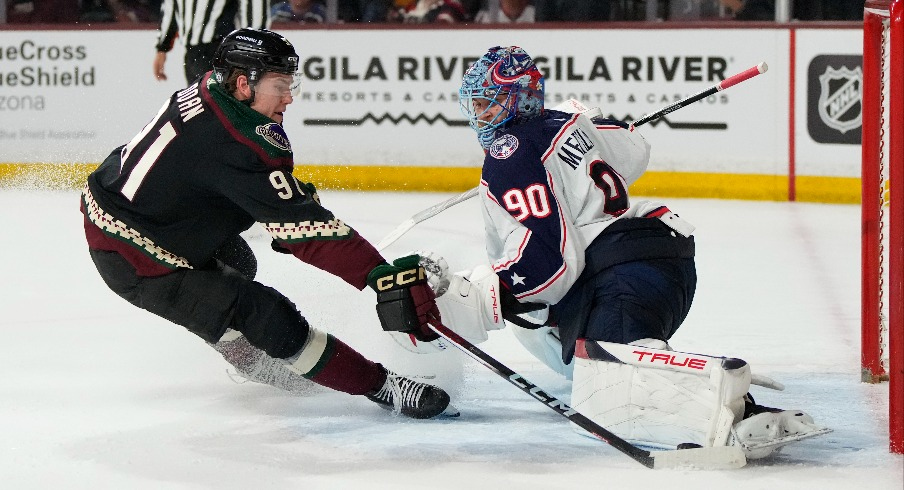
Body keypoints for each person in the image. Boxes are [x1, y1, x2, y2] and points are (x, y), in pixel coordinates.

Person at [412, 45, 829, 457]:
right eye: (478, 105)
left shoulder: (508, 154)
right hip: (661, 259)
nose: (480, 115)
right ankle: (712, 396)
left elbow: (551, 265)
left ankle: (732, 418)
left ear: (519, 97)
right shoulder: (567, 121)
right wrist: (592, 127)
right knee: (570, 356)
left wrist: (480, 300)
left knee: (612, 398)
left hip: (623, 274)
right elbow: (634, 152)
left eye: (489, 104)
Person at [80, 27, 456, 420]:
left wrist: (280, 203)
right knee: (269, 316)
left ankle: (231, 333)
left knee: (240, 264)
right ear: (244, 83)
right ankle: (382, 386)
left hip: (132, 210)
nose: (289, 96)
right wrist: (379, 274)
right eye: (281, 85)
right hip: (136, 256)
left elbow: (215, 178)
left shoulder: (213, 87)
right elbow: (307, 232)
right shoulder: (235, 141)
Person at [153, 0, 269, 84]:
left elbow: (254, 8)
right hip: (194, 53)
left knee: (218, 109)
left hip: (220, 47)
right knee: (203, 109)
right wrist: (162, 48)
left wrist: (252, 46)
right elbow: (171, 8)